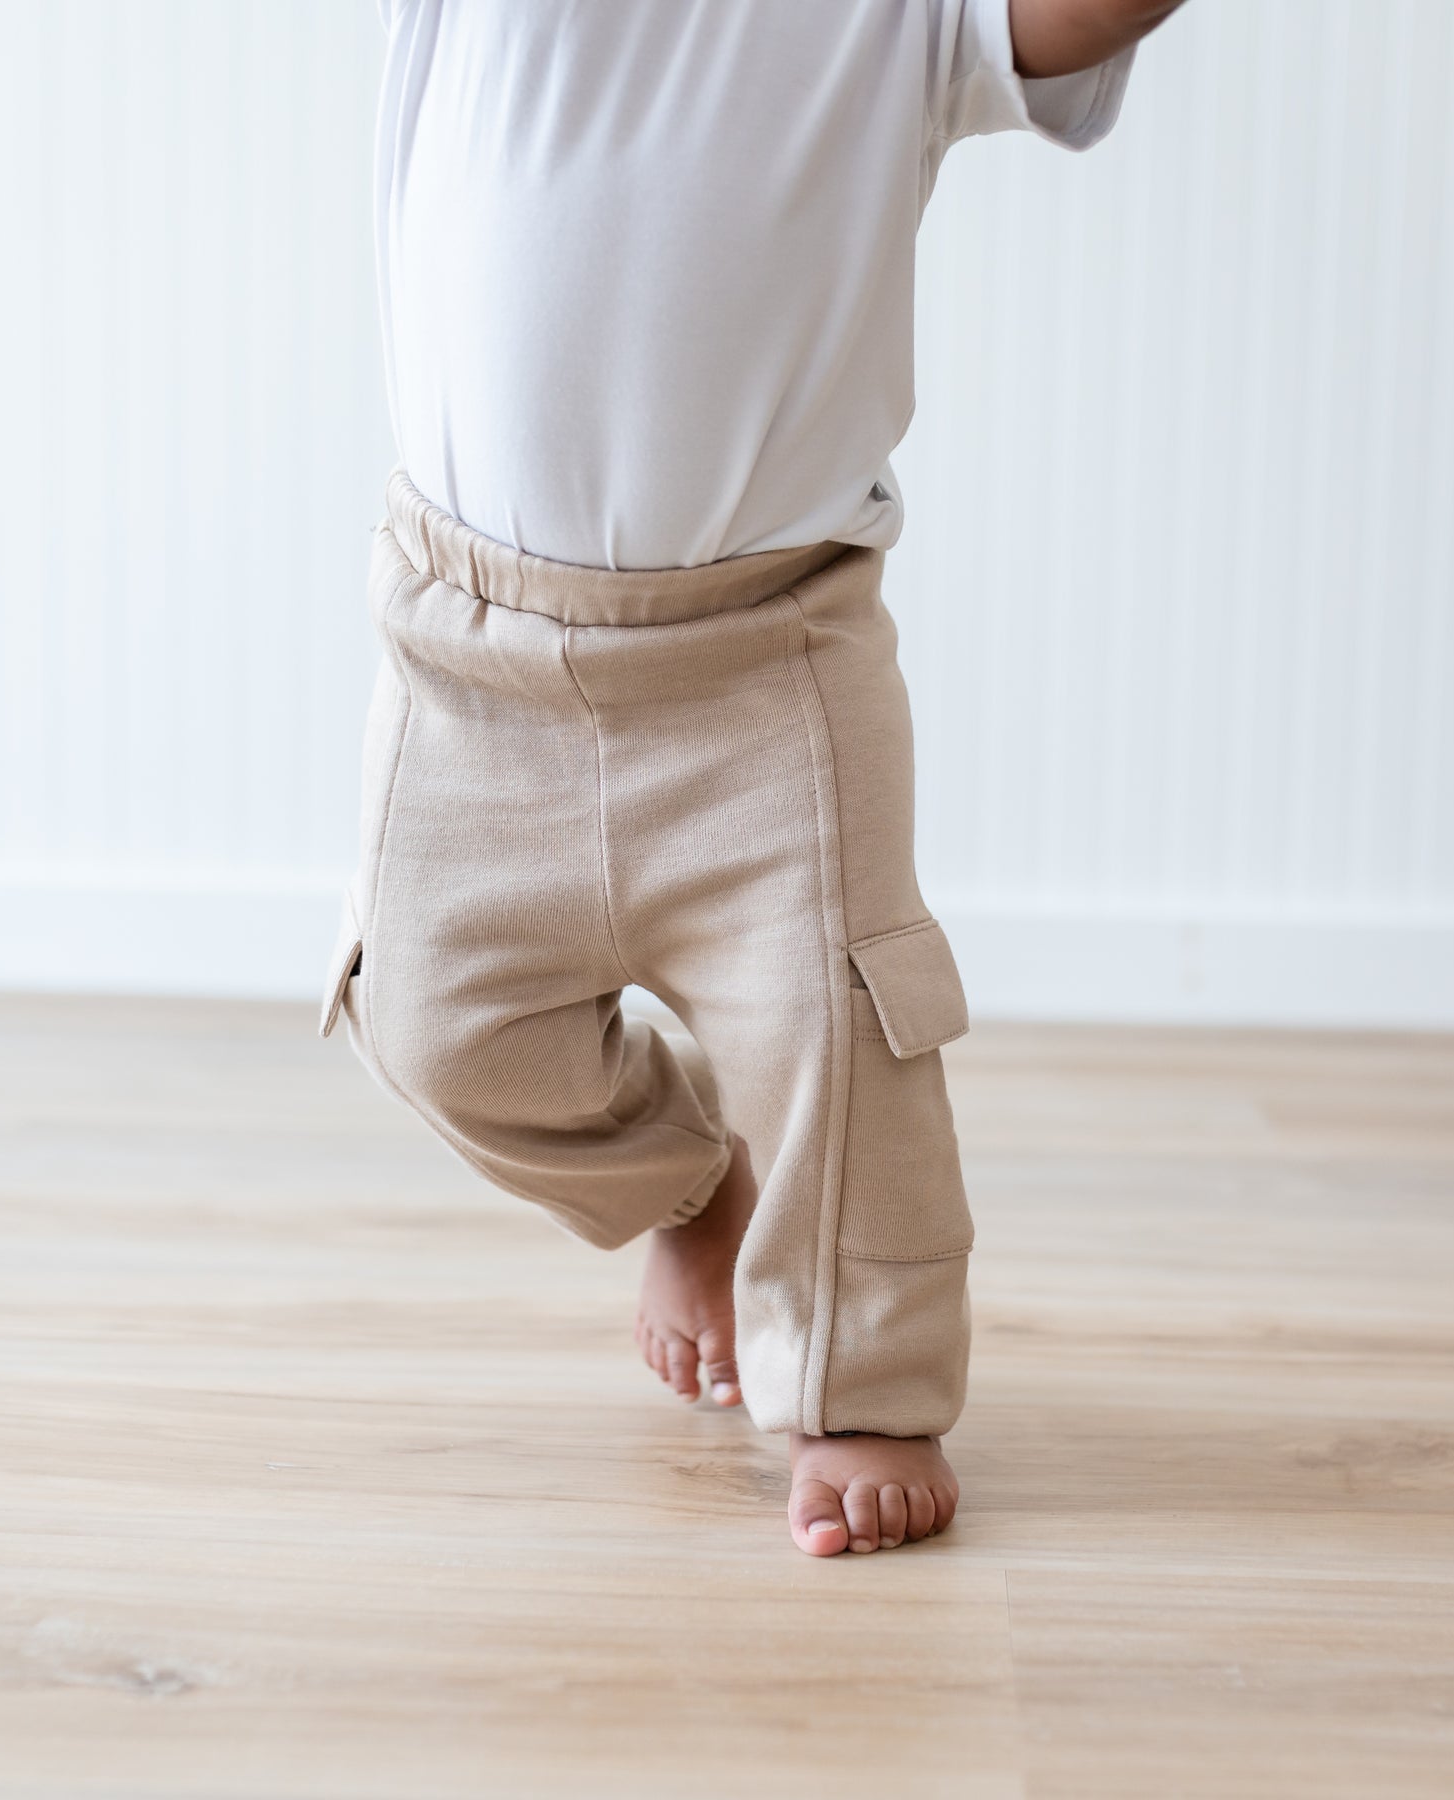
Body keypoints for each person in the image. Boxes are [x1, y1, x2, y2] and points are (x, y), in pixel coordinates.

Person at [322, 0, 1185, 1557]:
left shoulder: (901, 20)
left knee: (841, 1044)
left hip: (768, 671)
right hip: (473, 664)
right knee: (432, 1019)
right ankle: (682, 1190)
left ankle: (869, 1382)